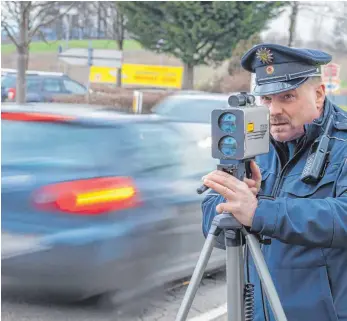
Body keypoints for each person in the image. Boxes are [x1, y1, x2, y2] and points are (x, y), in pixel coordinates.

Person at [202, 43, 347, 321]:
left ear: (318, 95)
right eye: (266, 99)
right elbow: (215, 232)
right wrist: (232, 200)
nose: (274, 110)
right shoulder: (251, 142)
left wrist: (259, 212)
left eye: (287, 97)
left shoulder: (343, 144)